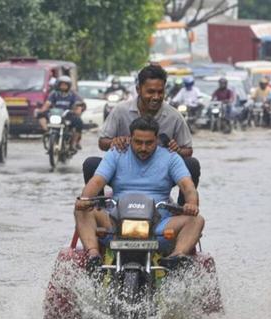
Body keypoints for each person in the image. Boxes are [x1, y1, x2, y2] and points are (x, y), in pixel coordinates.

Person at [75, 116, 203, 271]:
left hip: (158, 227)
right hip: (116, 224)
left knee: (197, 220)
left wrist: (191, 204)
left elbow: (187, 186)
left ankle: (175, 258)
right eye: (138, 142)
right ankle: (94, 256)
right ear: (130, 138)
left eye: (149, 143)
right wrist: (85, 199)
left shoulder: (171, 157)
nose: (143, 148)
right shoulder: (116, 153)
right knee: (81, 211)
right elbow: (96, 182)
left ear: (156, 139)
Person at [87, 64, 200, 206]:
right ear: (138, 89)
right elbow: (102, 142)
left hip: (160, 176)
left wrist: (177, 150)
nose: (156, 97)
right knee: (91, 164)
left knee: (192, 165)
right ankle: (98, 209)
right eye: (150, 92)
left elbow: (188, 150)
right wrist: (114, 142)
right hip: (123, 174)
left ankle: (183, 210)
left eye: (160, 92)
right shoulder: (120, 111)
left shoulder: (174, 116)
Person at [35, 75, 84, 150]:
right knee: (40, 115)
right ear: (58, 85)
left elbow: (78, 105)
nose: (63, 86)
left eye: (65, 84)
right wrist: (41, 110)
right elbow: (48, 104)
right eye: (62, 84)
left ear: (69, 85)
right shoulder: (54, 94)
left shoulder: (73, 95)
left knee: (79, 122)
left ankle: (74, 143)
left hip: (68, 115)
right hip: (55, 114)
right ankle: (47, 131)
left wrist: (77, 110)